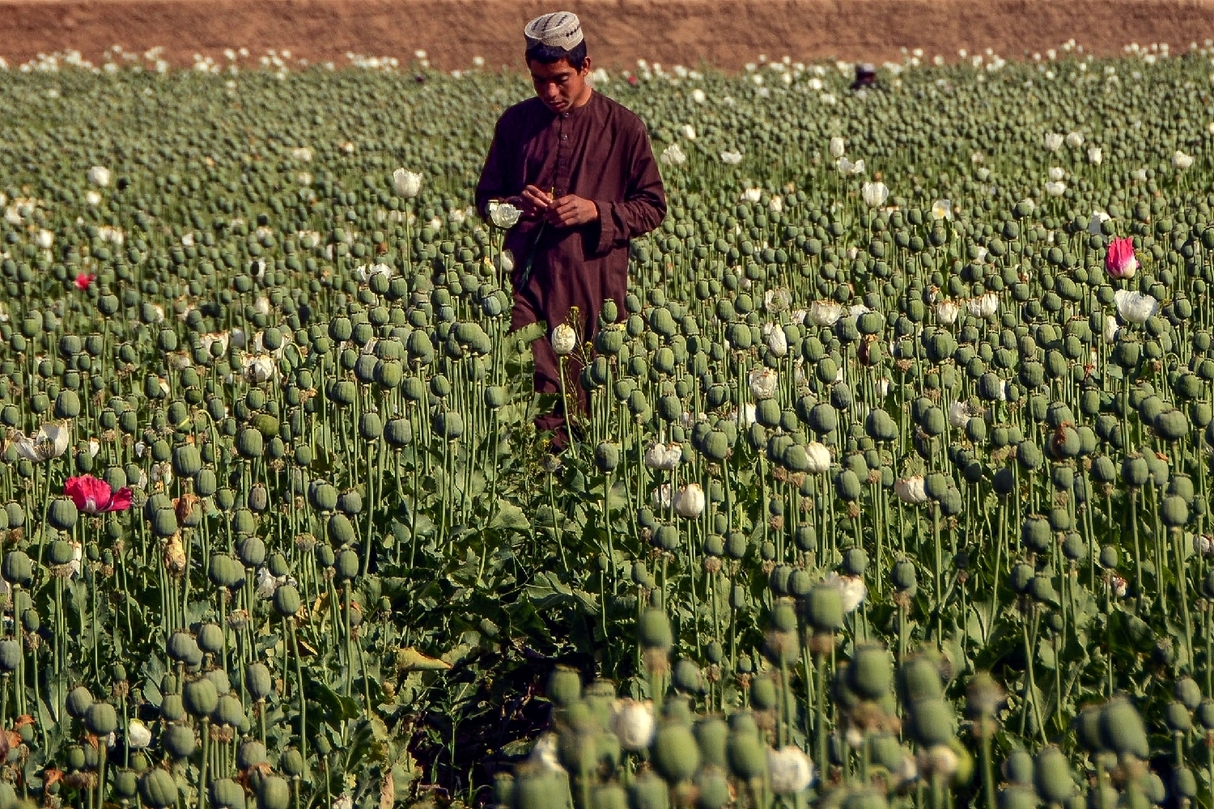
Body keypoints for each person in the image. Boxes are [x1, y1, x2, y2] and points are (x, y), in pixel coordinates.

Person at [476, 11, 666, 450]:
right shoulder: (516, 125)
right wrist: (516, 206)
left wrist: (594, 211)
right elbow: (486, 200)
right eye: (539, 80)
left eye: (560, 78)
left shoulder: (623, 128)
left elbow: (652, 207)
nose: (549, 91)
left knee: (590, 400)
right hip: (528, 283)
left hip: (594, 285)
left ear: (585, 66)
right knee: (535, 399)